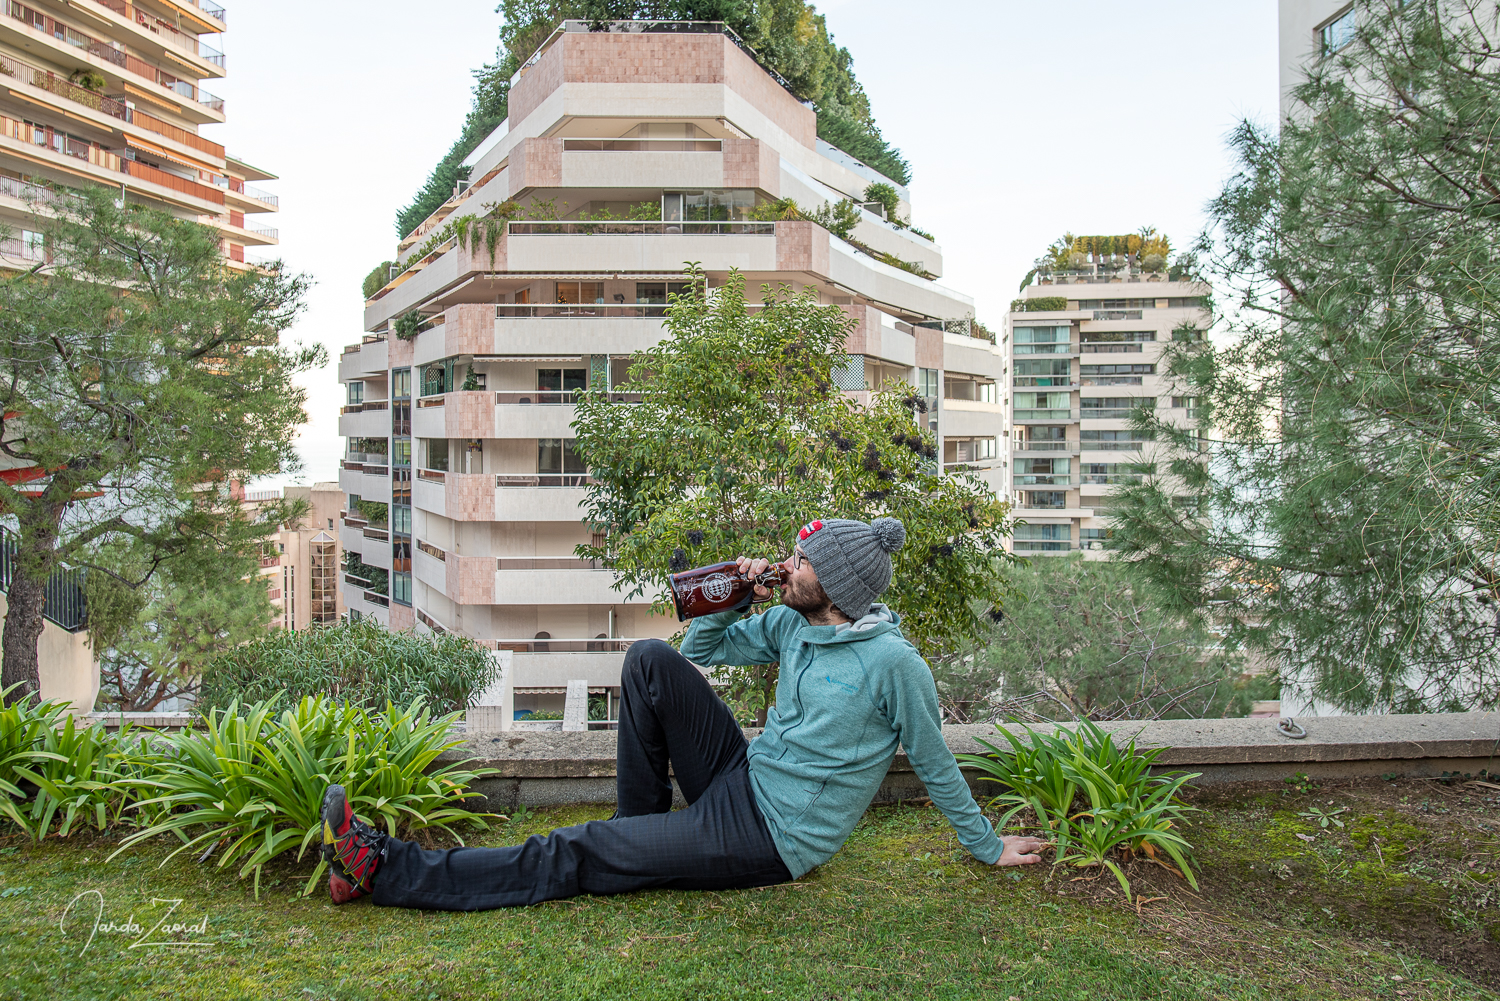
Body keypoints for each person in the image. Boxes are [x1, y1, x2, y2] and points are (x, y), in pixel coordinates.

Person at [320, 516, 1045, 909]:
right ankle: (642, 834)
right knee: (647, 660)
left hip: (770, 834)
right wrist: (732, 588)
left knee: (578, 849)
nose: (789, 564)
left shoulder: (894, 665)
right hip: (742, 775)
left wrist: (987, 844)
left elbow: (934, 757)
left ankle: (380, 869)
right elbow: (699, 648)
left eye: (803, 561)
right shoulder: (794, 623)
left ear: (842, 584)